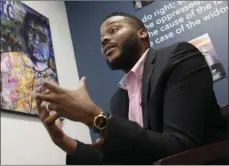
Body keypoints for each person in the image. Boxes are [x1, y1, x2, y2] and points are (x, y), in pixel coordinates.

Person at [35, 12, 228, 164]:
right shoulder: (119, 98)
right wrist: (63, 141)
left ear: (142, 33)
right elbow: (125, 159)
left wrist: (95, 117)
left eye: (113, 30)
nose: (104, 40)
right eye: (101, 38)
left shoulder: (178, 57)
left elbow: (182, 148)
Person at [1, 12, 57, 114]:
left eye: (42, 38)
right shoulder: (8, 60)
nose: (34, 41)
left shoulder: (53, 82)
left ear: (51, 48)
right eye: (30, 33)